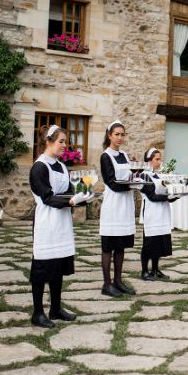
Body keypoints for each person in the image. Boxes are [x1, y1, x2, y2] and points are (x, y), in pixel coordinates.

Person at [29, 124, 92, 328]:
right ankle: (37, 313)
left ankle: (55, 308)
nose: (65, 145)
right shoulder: (39, 167)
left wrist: (83, 195)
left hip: (62, 223)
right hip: (47, 222)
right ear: (48, 142)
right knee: (42, 268)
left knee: (57, 267)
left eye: (66, 142)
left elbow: (69, 190)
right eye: (61, 141)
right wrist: (72, 202)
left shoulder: (62, 166)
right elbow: (47, 197)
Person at [99, 120, 137, 297]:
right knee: (108, 247)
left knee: (120, 246)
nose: (120, 138)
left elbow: (128, 175)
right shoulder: (106, 156)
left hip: (125, 205)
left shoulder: (125, 155)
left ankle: (118, 281)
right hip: (113, 204)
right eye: (117, 134)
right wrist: (130, 186)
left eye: (122, 134)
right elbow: (111, 182)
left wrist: (135, 174)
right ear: (109, 136)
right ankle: (107, 284)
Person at [138, 147, 176, 281]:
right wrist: (168, 197)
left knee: (159, 241)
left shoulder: (158, 175)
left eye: (160, 159)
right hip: (151, 212)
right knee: (149, 243)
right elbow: (152, 196)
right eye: (157, 159)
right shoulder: (143, 175)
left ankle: (155, 269)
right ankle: (144, 271)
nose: (160, 162)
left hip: (162, 212)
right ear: (149, 160)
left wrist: (174, 195)